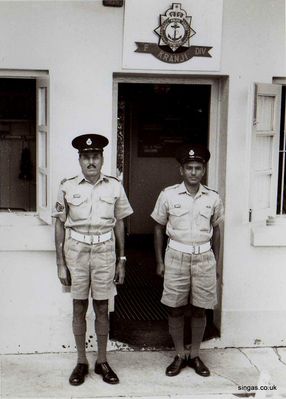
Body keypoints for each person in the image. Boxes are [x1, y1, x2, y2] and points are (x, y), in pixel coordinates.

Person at [53, 133, 133, 386]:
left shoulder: (114, 185)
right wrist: (60, 263)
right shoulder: (67, 186)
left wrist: (121, 259)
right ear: (79, 159)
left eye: (95, 156)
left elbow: (120, 223)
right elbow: (58, 224)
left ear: (101, 159)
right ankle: (81, 361)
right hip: (76, 251)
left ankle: (101, 360)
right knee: (78, 306)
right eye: (86, 157)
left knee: (101, 307)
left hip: (104, 251)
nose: (91, 162)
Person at [151, 144, 224, 377]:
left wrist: (216, 264)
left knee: (200, 309)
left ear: (204, 170)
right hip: (176, 257)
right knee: (175, 308)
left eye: (198, 168)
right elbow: (158, 227)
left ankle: (195, 355)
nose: (194, 172)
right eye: (189, 167)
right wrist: (160, 262)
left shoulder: (212, 198)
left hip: (204, 257)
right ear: (181, 170)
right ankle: (179, 354)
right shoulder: (168, 195)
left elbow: (217, 231)